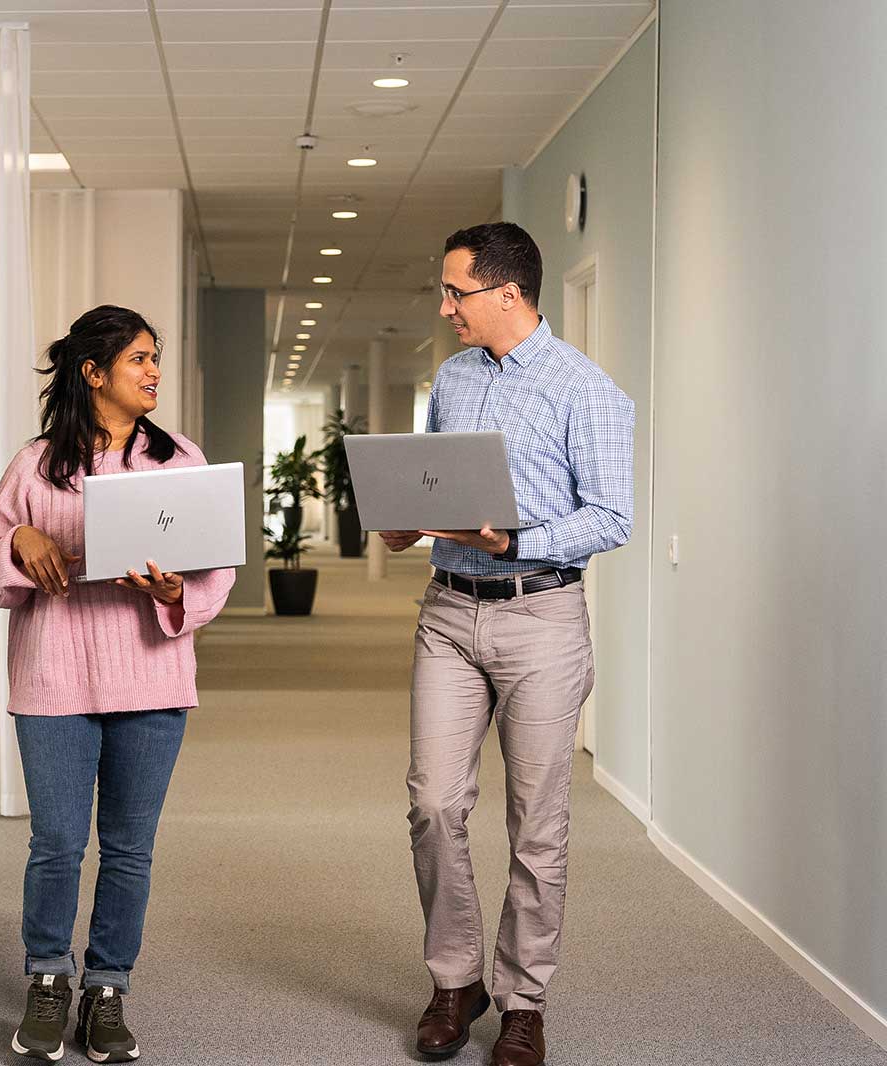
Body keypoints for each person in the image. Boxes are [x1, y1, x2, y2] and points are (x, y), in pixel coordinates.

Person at [381, 223, 634, 1066]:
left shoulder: (585, 390)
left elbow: (611, 516)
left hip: (541, 618)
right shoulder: (451, 378)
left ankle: (524, 1000)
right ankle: (456, 981)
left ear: (508, 294)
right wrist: (404, 521)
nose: (446, 307)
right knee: (434, 802)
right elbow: (434, 476)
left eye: (457, 292)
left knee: (538, 824)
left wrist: (514, 542)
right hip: (449, 614)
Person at [0, 306, 235, 1064]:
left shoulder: (180, 461)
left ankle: (108, 987)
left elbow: (214, 570)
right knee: (56, 842)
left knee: (127, 848)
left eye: (156, 359)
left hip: (150, 680)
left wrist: (172, 591)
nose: (155, 372)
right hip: (54, 680)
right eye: (139, 360)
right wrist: (18, 540)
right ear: (93, 373)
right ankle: (48, 978)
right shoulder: (34, 464)